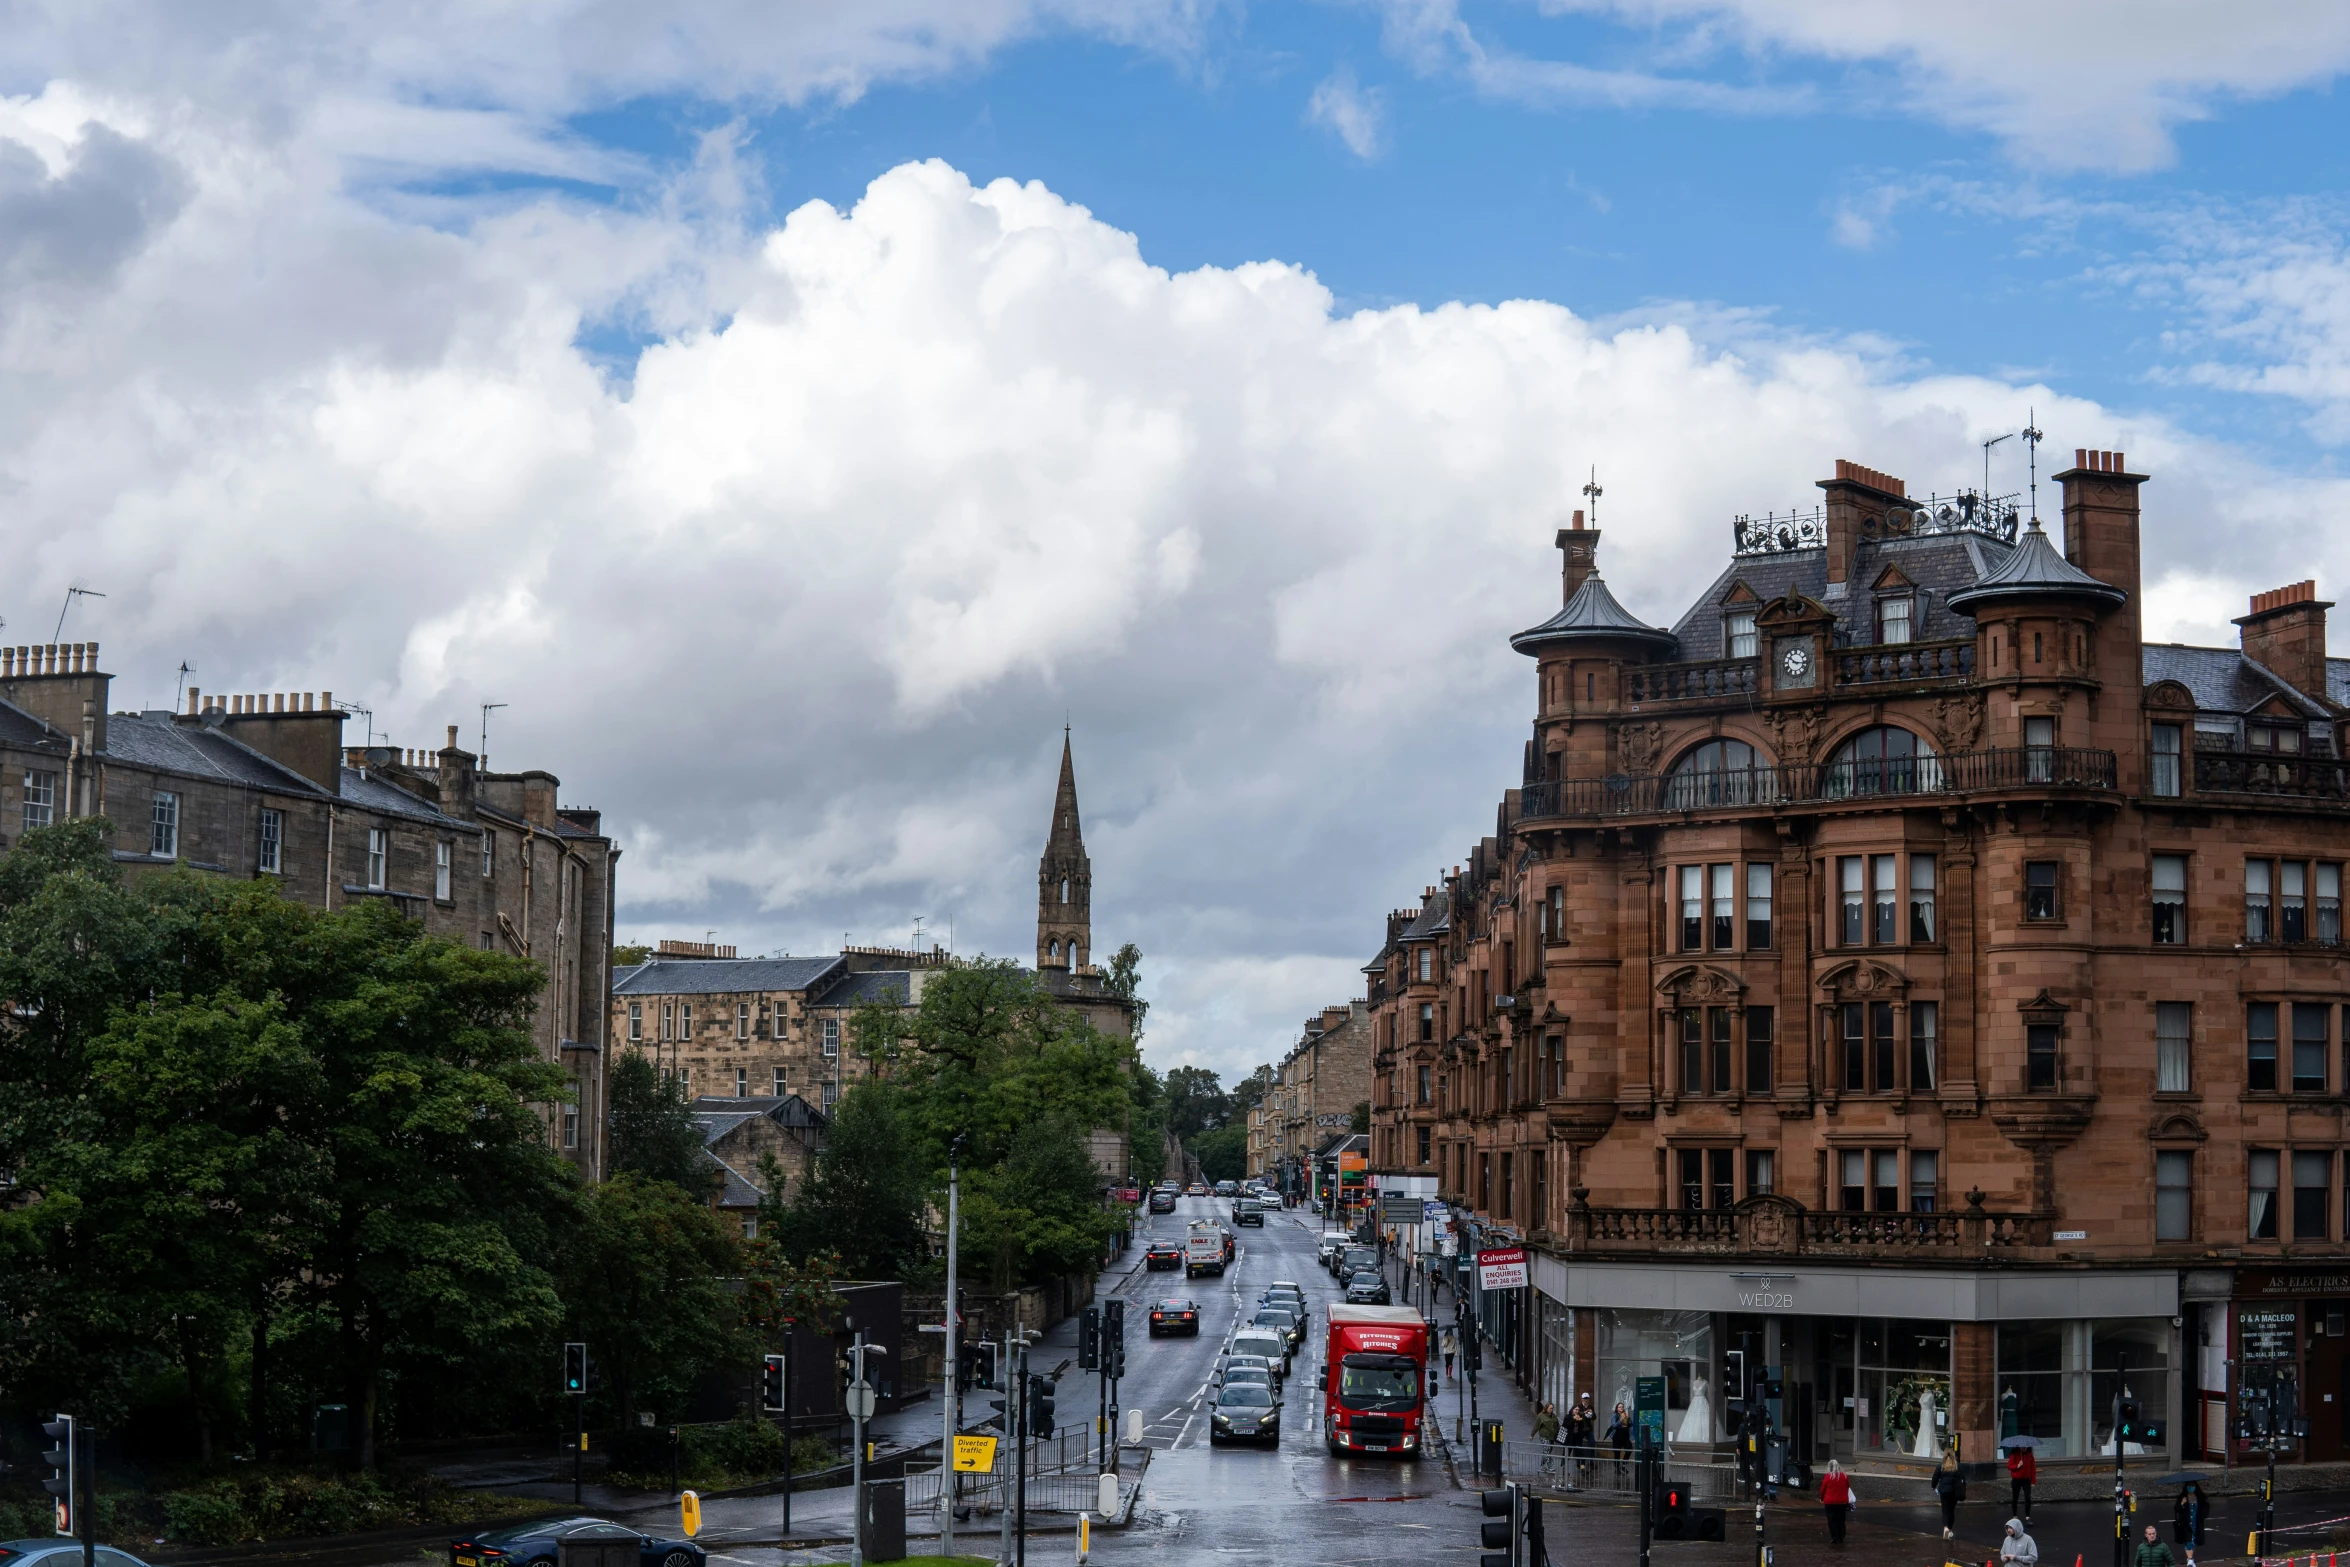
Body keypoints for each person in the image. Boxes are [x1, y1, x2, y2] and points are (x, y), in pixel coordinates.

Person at [1932, 1446, 1965, 1539]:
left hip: (1944, 1492)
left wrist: (1933, 1486)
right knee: (1951, 1511)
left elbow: (1935, 1478)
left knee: (1945, 1511)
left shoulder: (1940, 1466)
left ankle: (1945, 1528)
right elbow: (1963, 1479)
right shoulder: (1957, 1466)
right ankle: (1950, 1530)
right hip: (1954, 1492)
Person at [1819, 1459, 1854, 1546]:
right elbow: (1848, 1486)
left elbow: (1823, 1489)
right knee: (1841, 1520)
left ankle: (1834, 1537)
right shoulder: (1844, 1476)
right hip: (1842, 1502)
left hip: (1830, 1502)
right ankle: (1841, 1536)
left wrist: (1821, 1497)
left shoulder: (1828, 1476)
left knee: (1832, 1520)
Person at [2173, 1481, 2205, 1566]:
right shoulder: (2182, 1497)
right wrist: (2182, 1503)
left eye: (2192, 1485)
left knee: (2193, 1540)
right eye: (2189, 1485)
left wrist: (2202, 1516)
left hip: (2196, 1523)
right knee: (2188, 1541)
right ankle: (2190, 1560)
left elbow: (2205, 1508)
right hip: (2186, 1523)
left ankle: (2191, 1560)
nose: (2191, 1487)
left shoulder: (2199, 1498)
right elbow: (2177, 1509)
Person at [1566, 1394, 1597, 1480]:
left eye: (1587, 1398)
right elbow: (1572, 1413)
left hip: (1588, 1429)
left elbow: (1594, 1417)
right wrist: (1584, 1412)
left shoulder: (1591, 1406)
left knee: (1591, 1443)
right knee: (1574, 1450)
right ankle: (1575, 1465)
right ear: (1582, 1399)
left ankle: (1590, 1462)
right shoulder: (1578, 1406)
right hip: (1579, 1431)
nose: (1586, 1400)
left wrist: (1592, 1413)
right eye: (1584, 1398)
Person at [2005, 1444, 2036, 1521]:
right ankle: (2014, 1515)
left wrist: (2033, 1481)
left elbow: (2033, 1468)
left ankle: (2027, 1516)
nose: (2024, 1448)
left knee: (2028, 1497)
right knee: (2015, 1498)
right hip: (2016, 1480)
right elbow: (2009, 1466)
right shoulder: (2014, 1454)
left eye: (2025, 1447)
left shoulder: (2030, 1455)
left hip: (2026, 1480)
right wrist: (2018, 1465)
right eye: (2022, 1447)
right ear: (2019, 1447)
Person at [1607, 1402, 1634, 1486]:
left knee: (1629, 1449)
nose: (1621, 1408)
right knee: (1617, 1452)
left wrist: (1629, 1419)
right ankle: (1617, 1468)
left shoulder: (1625, 1414)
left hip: (1625, 1436)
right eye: (1619, 1407)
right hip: (1617, 1435)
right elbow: (1614, 1425)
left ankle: (1623, 1465)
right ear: (1617, 1408)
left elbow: (1631, 1424)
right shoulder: (1614, 1416)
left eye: (1622, 1407)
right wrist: (1620, 1420)